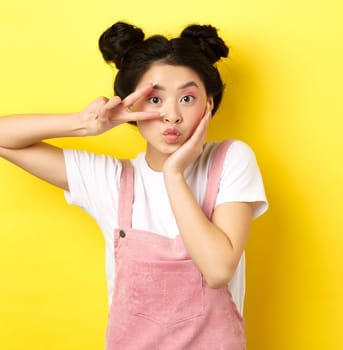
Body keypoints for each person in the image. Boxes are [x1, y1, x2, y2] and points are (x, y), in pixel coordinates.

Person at [0, 21, 268, 349]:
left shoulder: (231, 161)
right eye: (154, 100)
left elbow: (217, 269)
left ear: (209, 103)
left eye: (187, 98)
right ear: (132, 106)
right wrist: (84, 125)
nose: (172, 115)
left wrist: (174, 175)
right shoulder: (110, 181)